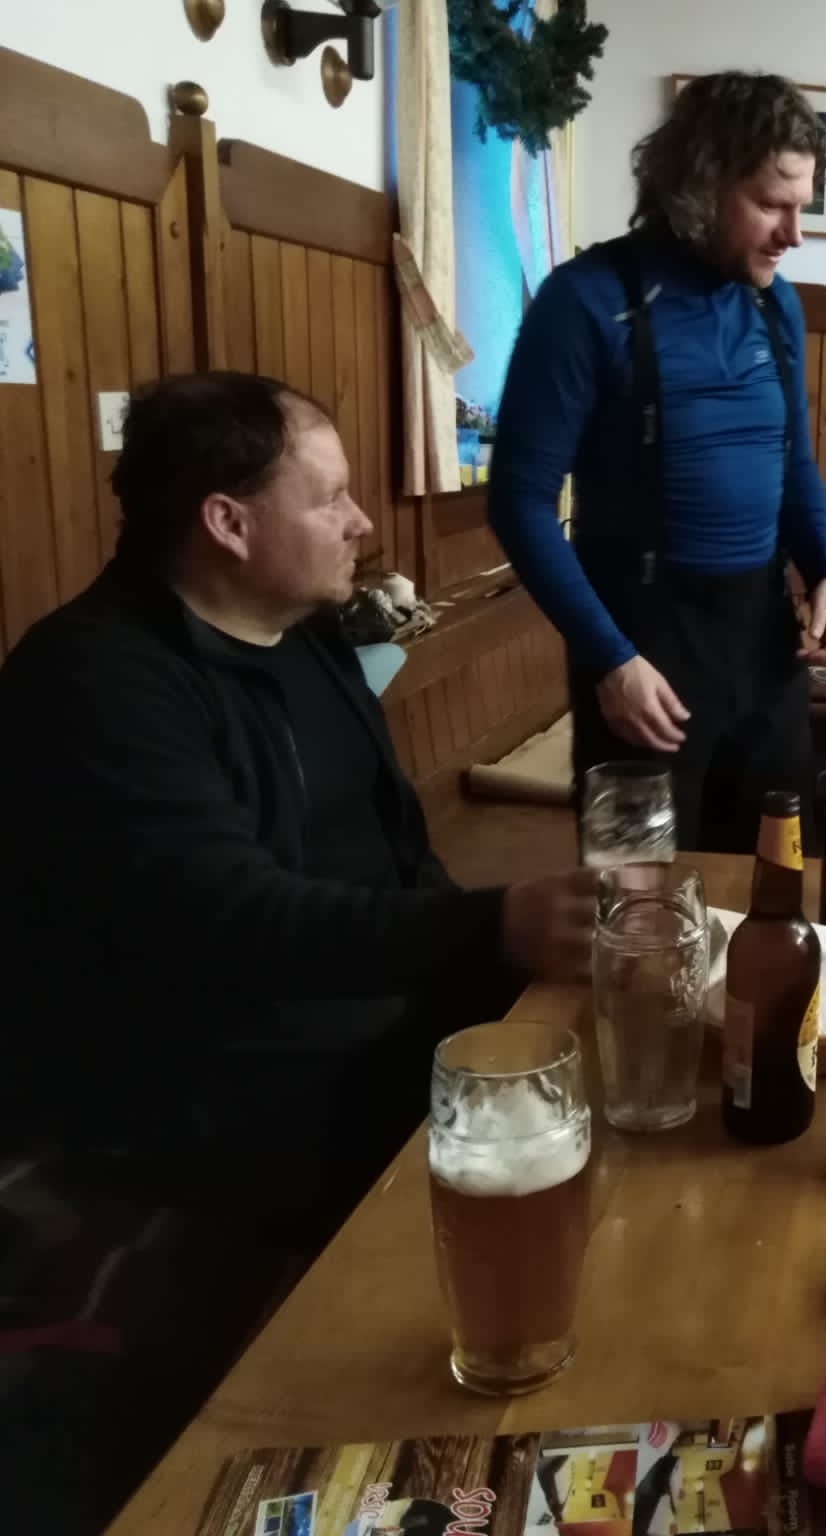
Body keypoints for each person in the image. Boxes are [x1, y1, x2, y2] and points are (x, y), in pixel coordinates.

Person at [0, 372, 596, 1536]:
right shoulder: (93, 681)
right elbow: (228, 920)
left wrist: (534, 961)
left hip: (369, 1041)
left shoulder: (307, 637)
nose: (362, 522)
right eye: (329, 498)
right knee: (500, 1303)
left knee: (613, 1095)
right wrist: (492, 928)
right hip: (204, 1110)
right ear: (228, 522)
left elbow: (400, 869)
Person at [489, 71, 826, 854]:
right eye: (773, 205)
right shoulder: (584, 300)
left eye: (803, 206)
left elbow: (793, 460)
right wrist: (609, 660)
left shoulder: (775, 304)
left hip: (765, 640)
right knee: (635, 895)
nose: (795, 235)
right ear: (699, 186)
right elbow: (519, 502)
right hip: (644, 647)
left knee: (773, 879)